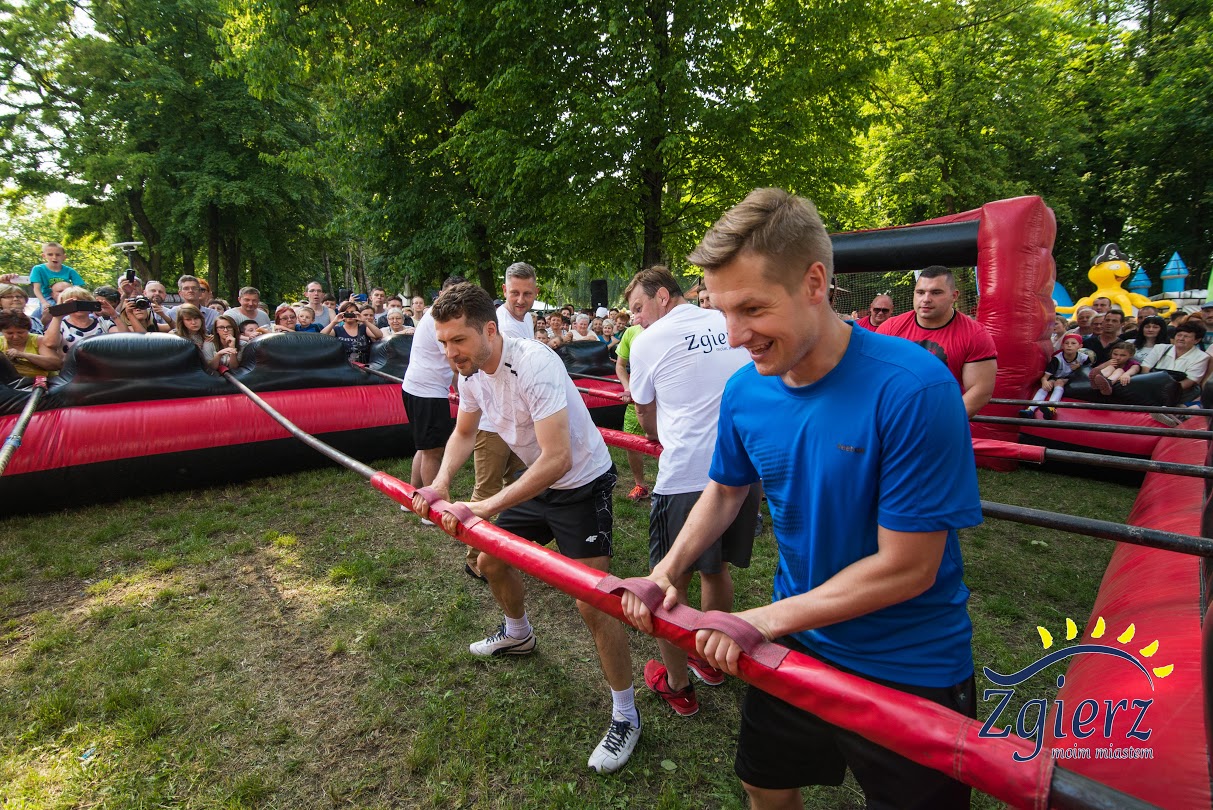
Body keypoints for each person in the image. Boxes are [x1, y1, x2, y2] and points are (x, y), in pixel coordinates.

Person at [620, 188, 982, 810]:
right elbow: (725, 489)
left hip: (909, 662)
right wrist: (667, 570)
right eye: (722, 310)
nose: (735, 336)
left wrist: (759, 621)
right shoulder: (746, 390)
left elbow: (909, 566)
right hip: (799, 639)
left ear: (815, 283)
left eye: (752, 308)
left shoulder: (914, 388)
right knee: (764, 784)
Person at [412, 282, 641, 774]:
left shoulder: (534, 363)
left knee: (593, 601)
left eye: (458, 340)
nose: (450, 353)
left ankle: (626, 713)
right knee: (490, 560)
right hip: (538, 482)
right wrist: (441, 483)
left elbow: (558, 459)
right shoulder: (471, 373)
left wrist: (485, 506)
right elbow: (464, 432)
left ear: (489, 331)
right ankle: (519, 634)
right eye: (443, 342)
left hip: (580, 484)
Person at [624, 265, 758, 716]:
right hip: (739, 469)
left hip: (685, 475)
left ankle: (678, 684)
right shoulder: (727, 322)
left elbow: (645, 414)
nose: (637, 318)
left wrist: (661, 434)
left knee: (667, 581)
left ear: (663, 296)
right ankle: (711, 661)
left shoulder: (649, 341)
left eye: (639, 307)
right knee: (716, 569)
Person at [877, 266, 997, 417]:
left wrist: (940, 422)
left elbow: (980, 391)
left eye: (936, 292)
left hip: (943, 415)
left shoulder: (974, 334)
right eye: (920, 292)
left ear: (954, 296)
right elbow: (873, 376)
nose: (926, 299)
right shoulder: (889, 329)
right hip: (893, 416)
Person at [402, 276, 463, 510]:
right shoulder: (439, 319)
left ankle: (411, 497)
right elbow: (454, 361)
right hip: (427, 392)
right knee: (434, 451)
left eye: (459, 296)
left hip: (417, 388)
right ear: (441, 294)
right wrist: (467, 392)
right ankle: (433, 506)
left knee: (424, 447)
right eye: (451, 294)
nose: (454, 300)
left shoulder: (434, 315)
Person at [615, 322, 651, 501]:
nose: (637, 315)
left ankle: (669, 490)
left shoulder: (668, 327)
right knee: (631, 442)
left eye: (639, 309)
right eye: (635, 310)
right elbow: (620, 365)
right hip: (636, 399)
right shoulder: (631, 332)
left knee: (668, 442)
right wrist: (627, 388)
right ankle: (640, 485)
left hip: (663, 400)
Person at [1018, 334, 1090, 419]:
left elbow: (1087, 371)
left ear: (1080, 346)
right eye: (1066, 343)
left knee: (1059, 382)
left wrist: (1079, 367)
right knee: (1048, 385)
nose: (1069, 345)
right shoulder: (1057, 359)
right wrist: (1044, 382)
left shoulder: (1084, 358)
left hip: (1072, 381)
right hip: (1056, 378)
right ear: (1062, 345)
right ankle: (1031, 409)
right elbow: (1045, 377)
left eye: (1073, 343)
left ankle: (1051, 407)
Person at [1140, 321, 1209, 407]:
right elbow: (1145, 368)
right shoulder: (1160, 348)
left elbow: (1190, 381)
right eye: (1179, 335)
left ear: (1197, 340)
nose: (1181, 339)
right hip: (1150, 390)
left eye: (1186, 336)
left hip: (1180, 395)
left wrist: (1165, 391)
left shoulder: (1202, 357)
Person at [54, 287, 128, 357]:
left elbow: (125, 340)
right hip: (72, 364)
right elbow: (51, 344)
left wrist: (114, 315)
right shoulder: (60, 325)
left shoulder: (103, 322)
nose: (78, 306)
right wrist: (58, 314)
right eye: (72, 303)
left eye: (82, 302)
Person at [0, 310, 62, 377]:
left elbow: (56, 365)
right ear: (2, 331)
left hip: (42, 380)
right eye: (10, 333)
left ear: (28, 329)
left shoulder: (39, 340)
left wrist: (22, 355)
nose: (15, 337)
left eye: (20, 332)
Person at [30, 242, 85, 314]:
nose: (54, 257)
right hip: (47, 297)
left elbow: (78, 288)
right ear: (44, 256)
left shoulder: (70, 271)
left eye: (58, 255)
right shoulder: (38, 269)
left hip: (66, 297)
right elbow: (36, 289)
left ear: (64, 257)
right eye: (50, 254)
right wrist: (43, 302)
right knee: (52, 309)